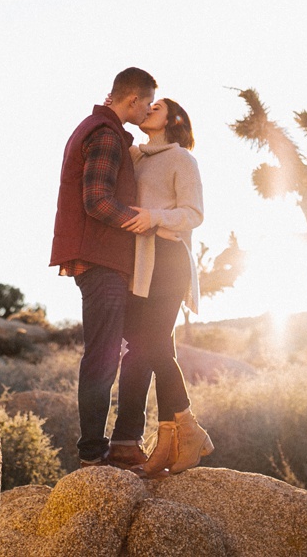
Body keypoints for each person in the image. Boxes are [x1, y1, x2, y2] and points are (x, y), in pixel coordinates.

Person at [49, 67, 157, 468]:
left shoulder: (96, 128)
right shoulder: (107, 135)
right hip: (102, 261)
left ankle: (125, 442)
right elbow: (97, 200)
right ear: (132, 100)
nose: (147, 111)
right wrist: (145, 222)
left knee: (139, 345)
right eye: (146, 103)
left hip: (100, 259)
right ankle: (94, 454)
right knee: (103, 355)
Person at [111, 97, 213, 476]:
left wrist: (154, 217)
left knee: (149, 345)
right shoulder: (136, 156)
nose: (148, 108)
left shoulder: (182, 159)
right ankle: (166, 443)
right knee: (139, 350)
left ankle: (189, 429)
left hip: (169, 260)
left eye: (156, 106)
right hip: (138, 265)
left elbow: (194, 214)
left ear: (173, 119)